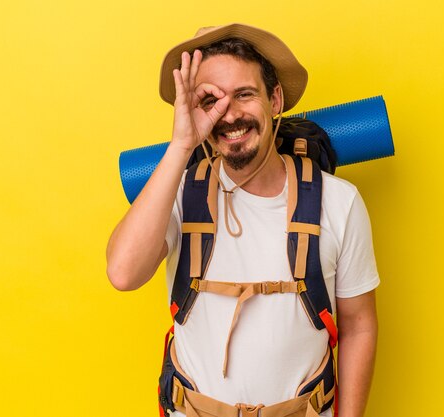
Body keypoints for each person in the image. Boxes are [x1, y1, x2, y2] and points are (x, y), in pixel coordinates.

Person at [106, 24, 379, 417]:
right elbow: (123, 273)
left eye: (244, 95)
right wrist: (183, 144)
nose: (229, 114)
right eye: (211, 100)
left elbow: (359, 327)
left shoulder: (339, 202)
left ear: (275, 99)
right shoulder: (178, 193)